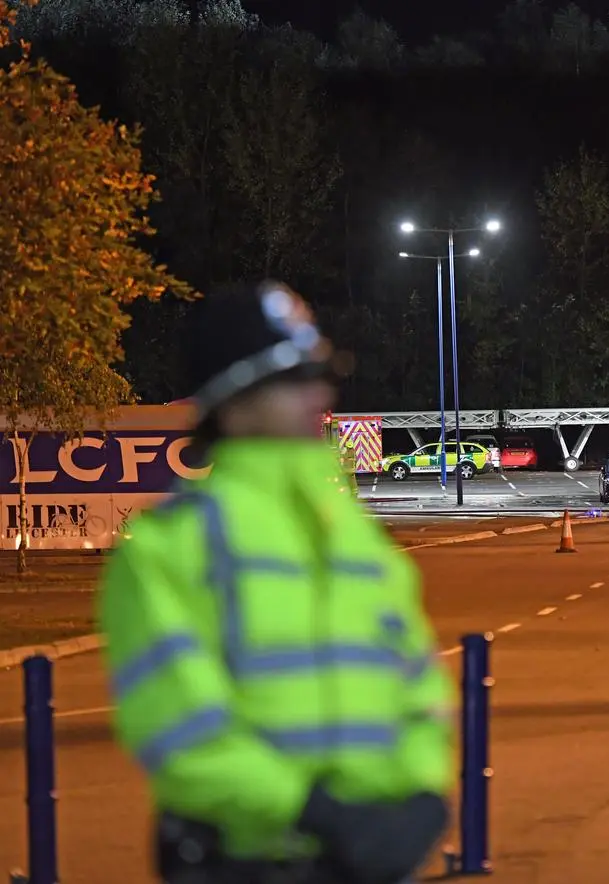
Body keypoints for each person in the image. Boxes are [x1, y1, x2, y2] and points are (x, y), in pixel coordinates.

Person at [97, 280, 455, 884]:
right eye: (290, 377)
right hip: (249, 865)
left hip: (378, 862)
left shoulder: (350, 534)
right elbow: (183, 732)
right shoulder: (169, 549)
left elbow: (417, 682)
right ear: (232, 400)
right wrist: (316, 815)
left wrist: (424, 797)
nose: (316, 390)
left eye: (317, 371)